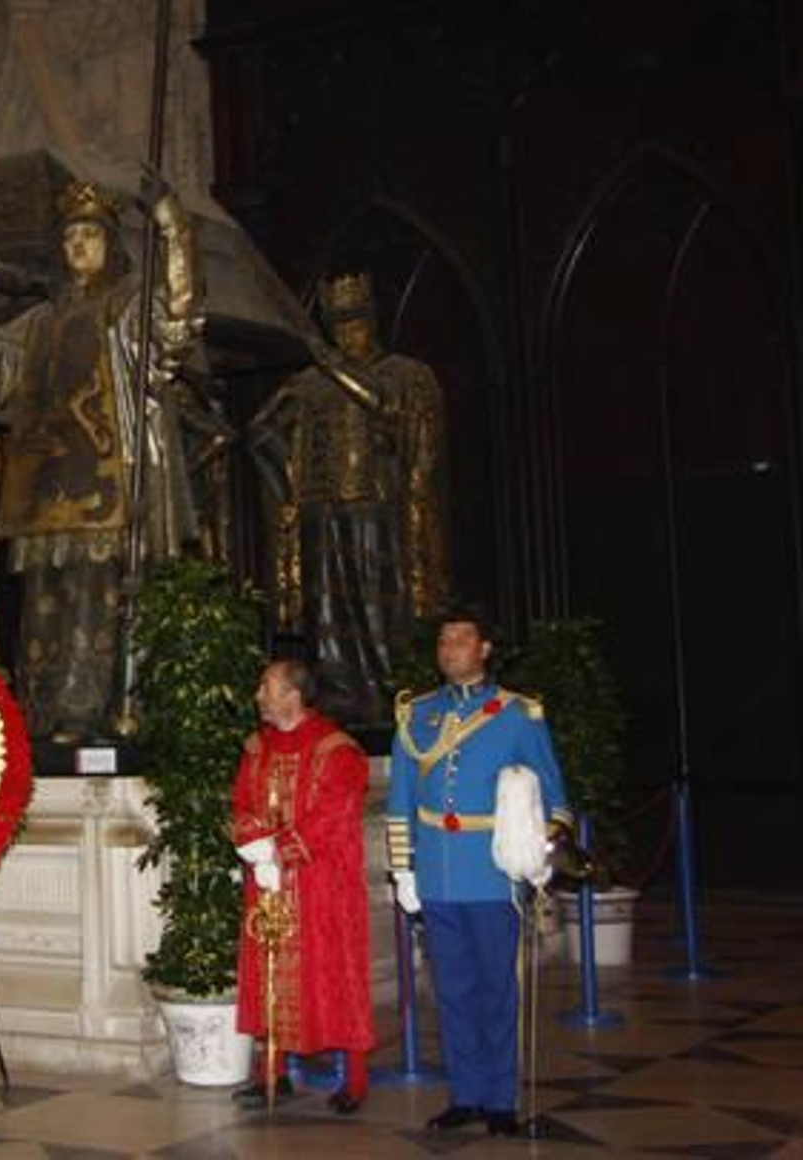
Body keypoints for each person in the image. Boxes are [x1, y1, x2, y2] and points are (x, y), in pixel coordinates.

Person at [0, 175, 201, 741]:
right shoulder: (40, 321)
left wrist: (172, 227)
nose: (79, 245)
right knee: (45, 605)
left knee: (99, 599)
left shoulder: (129, 302)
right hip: (47, 487)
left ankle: (92, 710)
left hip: (111, 479)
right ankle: (43, 711)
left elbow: (177, 321)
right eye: (69, 237)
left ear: (112, 242)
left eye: (90, 234)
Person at [386, 609, 573, 1137]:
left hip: (493, 871)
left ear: (485, 648)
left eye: (462, 640)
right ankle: (465, 1095)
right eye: (444, 641)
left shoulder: (517, 714)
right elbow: (400, 799)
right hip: (437, 873)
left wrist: (541, 851)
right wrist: (404, 868)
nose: (449, 649)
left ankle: (500, 1099)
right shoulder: (417, 713)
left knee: (497, 989)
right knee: (452, 990)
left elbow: (556, 798)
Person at [248, 272, 449, 726]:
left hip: (374, 506)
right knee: (326, 613)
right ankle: (339, 692)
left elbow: (387, 407)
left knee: (377, 608)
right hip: (320, 508)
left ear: (373, 319)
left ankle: (387, 692)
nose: (346, 332)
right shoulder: (309, 383)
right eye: (337, 323)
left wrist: (327, 362)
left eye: (354, 319)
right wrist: (290, 477)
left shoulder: (402, 373)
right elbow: (261, 430)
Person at [231, 659, 374, 1113]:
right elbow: (241, 803)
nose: (258, 696)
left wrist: (279, 850)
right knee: (268, 969)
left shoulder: (337, 750)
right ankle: (270, 1071)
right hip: (268, 882)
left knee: (335, 972)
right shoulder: (257, 748)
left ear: (293, 695)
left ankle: (354, 1080)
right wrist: (254, 845)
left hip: (321, 885)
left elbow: (334, 816)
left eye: (266, 687)